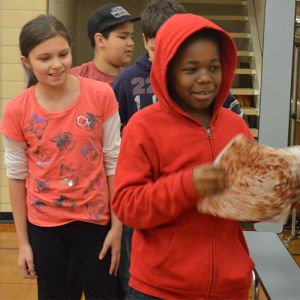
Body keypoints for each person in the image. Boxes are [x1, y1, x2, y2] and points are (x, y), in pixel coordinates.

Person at [112, 13, 254, 300]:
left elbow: (249, 199)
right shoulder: (143, 126)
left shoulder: (235, 125)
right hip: (159, 289)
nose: (205, 78)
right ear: (167, 70)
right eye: (191, 69)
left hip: (229, 288)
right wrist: (188, 186)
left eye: (213, 67)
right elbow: (127, 206)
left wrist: (280, 192)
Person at [1, 14, 123, 300]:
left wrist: (117, 227)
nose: (56, 65)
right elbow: (17, 175)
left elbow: (114, 162)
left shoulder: (101, 94)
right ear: (26, 61)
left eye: (63, 54)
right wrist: (23, 244)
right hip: (45, 227)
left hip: (96, 223)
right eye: (44, 58)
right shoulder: (17, 110)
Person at [113, 0, 247, 130]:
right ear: (145, 41)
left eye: (173, 51)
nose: (164, 58)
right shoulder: (126, 82)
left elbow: (238, 127)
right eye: (157, 50)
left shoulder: (208, 86)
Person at [70, 2, 139, 86]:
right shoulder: (74, 78)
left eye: (131, 37)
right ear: (100, 40)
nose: (131, 43)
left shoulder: (136, 81)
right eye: (123, 37)